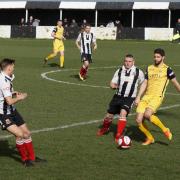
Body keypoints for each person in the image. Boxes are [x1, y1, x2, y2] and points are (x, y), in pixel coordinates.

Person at [0, 58, 46, 166]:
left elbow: (6, 94)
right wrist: (21, 97)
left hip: (13, 111)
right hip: (3, 114)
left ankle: (32, 158)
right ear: (9, 67)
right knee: (20, 135)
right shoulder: (3, 81)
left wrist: (14, 92)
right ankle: (25, 160)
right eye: (13, 66)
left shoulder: (6, 77)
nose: (14, 68)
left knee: (27, 134)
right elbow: (9, 101)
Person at [135, 48, 180, 145]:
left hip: (157, 97)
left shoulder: (167, 69)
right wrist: (138, 96)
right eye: (155, 56)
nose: (156, 58)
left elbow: (175, 83)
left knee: (147, 115)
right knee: (138, 120)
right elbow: (145, 83)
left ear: (163, 57)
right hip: (146, 97)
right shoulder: (149, 68)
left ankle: (165, 129)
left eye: (158, 57)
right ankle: (150, 138)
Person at [97, 54, 145, 143]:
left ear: (133, 62)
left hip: (129, 98)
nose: (127, 63)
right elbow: (112, 83)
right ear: (124, 62)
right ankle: (105, 128)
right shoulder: (119, 71)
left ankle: (119, 134)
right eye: (126, 61)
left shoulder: (138, 72)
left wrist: (138, 97)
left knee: (123, 114)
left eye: (129, 61)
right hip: (117, 97)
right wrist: (112, 86)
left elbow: (144, 83)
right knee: (108, 116)